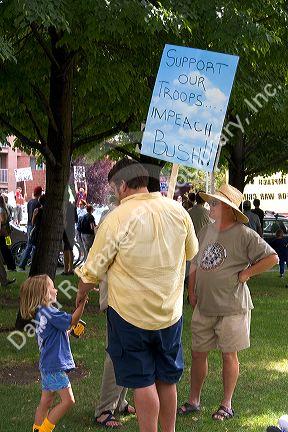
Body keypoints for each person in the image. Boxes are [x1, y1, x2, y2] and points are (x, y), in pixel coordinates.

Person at [75, 158, 198, 432]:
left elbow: (91, 272)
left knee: (143, 382)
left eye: (113, 188)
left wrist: (80, 299)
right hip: (170, 313)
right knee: (167, 379)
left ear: (122, 186)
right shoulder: (178, 212)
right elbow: (191, 252)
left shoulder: (117, 219)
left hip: (129, 316)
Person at [178, 184, 278, 421]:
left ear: (229, 208)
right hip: (204, 305)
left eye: (215, 203)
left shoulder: (244, 234)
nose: (210, 206)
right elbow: (194, 261)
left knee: (228, 355)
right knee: (198, 353)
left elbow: (272, 258)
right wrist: (191, 290)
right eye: (211, 202)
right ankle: (194, 401)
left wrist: (246, 274)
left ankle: (226, 404)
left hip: (233, 307)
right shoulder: (205, 231)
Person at [19, 274, 87, 432]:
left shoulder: (41, 315)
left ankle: (36, 429)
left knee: (46, 401)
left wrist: (69, 332)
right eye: (52, 287)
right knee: (68, 401)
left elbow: (53, 336)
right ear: (44, 293)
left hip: (46, 365)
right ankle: (44, 430)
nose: (56, 290)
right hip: (55, 366)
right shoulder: (50, 312)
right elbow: (72, 320)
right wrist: (82, 303)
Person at [95, 198, 135, 428]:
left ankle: (119, 402)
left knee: (128, 352)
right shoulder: (114, 217)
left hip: (130, 297)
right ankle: (104, 410)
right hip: (117, 297)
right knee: (116, 354)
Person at [19, 186, 43, 271]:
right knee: (32, 246)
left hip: (29, 224)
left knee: (30, 245)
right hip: (34, 225)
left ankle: (27, 264)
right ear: (40, 193)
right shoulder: (38, 203)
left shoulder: (30, 202)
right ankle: (23, 264)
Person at [0, 194, 16, 270]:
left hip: (3, 232)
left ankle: (11, 266)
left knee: (5, 249)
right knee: (7, 248)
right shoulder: (5, 208)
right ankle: (11, 265)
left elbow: (2, 221)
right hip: (6, 231)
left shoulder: (1, 209)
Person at [62, 199, 78, 276]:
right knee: (69, 248)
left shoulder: (64, 207)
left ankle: (67, 269)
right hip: (71, 229)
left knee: (66, 248)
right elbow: (76, 219)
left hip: (66, 229)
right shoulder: (73, 207)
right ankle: (69, 269)